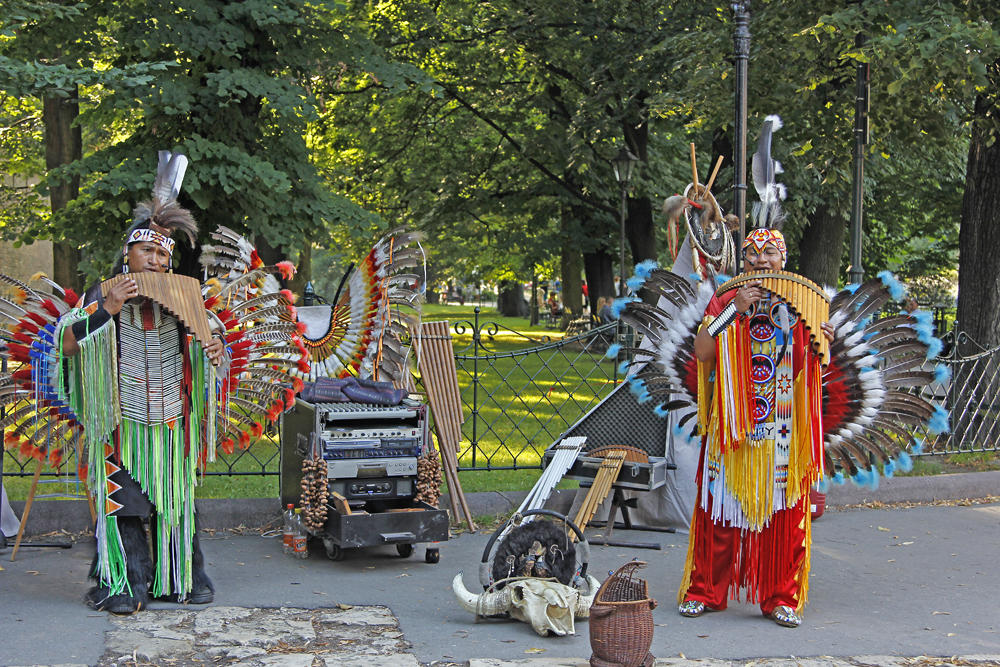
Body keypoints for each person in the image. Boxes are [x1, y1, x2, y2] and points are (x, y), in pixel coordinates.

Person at [59, 153, 225, 614]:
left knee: (174, 505)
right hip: (121, 422)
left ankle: (181, 577)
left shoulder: (184, 298)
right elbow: (68, 347)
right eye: (146, 251)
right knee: (124, 505)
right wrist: (107, 309)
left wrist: (212, 353)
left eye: (162, 255)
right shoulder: (102, 293)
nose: (154, 260)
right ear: (128, 253)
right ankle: (126, 582)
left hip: (170, 419)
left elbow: (214, 354)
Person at [677, 227, 834, 628]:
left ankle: (781, 597)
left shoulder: (801, 302)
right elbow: (703, 350)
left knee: (781, 516)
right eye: (753, 254)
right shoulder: (727, 296)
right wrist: (736, 309)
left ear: (783, 260)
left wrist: (822, 343)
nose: (761, 261)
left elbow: (811, 365)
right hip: (731, 425)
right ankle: (705, 591)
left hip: (781, 427)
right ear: (742, 260)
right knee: (720, 514)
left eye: (770, 254)